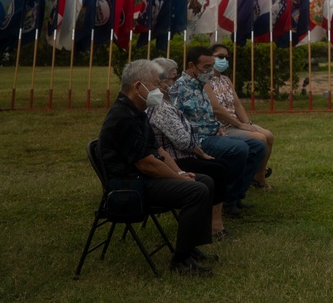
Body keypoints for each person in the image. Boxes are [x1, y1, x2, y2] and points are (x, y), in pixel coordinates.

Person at [98, 59, 216, 275]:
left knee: (204, 181)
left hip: (144, 180)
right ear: (138, 87)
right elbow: (146, 163)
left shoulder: (137, 110)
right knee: (196, 190)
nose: (161, 89)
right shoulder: (122, 117)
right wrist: (179, 179)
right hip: (132, 187)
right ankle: (180, 261)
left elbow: (158, 150)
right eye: (155, 84)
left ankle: (189, 248)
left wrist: (179, 173)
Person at [169, 46, 267, 211]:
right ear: (192, 66)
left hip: (213, 134)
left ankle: (234, 195)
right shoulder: (180, 89)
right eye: (206, 67)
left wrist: (217, 128)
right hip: (198, 141)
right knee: (240, 148)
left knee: (258, 146)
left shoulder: (200, 85)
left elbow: (207, 115)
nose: (210, 70)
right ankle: (228, 199)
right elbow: (177, 123)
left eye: (211, 66)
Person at [150, 58, 232, 239]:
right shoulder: (160, 107)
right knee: (217, 170)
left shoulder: (166, 102)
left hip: (180, 154)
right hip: (176, 159)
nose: (176, 82)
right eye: (172, 79)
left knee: (220, 165)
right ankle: (215, 226)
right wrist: (201, 152)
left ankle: (214, 219)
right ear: (160, 82)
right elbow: (183, 141)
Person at [206, 44, 275, 190]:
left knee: (269, 136)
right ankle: (248, 179)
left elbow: (237, 105)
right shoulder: (205, 81)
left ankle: (259, 175)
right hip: (221, 127)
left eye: (226, 57)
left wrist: (247, 123)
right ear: (210, 57)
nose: (224, 60)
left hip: (235, 124)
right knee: (260, 138)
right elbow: (216, 109)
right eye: (220, 56)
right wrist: (239, 125)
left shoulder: (226, 80)